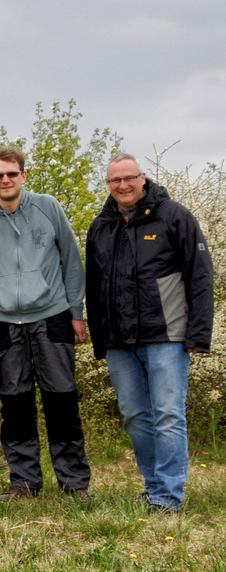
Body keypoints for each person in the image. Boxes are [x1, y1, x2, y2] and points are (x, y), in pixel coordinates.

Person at [85, 153, 214, 513]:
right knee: (136, 417)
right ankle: (154, 486)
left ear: (143, 178)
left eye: (129, 178)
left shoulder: (174, 216)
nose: (123, 186)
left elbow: (200, 277)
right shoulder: (101, 227)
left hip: (167, 337)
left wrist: (198, 335)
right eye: (115, 181)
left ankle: (168, 497)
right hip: (119, 342)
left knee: (168, 414)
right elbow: (93, 287)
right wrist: (100, 339)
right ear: (108, 185)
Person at [0, 146, 92, 501]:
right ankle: (24, 482)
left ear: (23, 176)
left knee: (62, 401)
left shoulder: (48, 207)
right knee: (15, 404)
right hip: (2, 322)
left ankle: (74, 483)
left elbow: (71, 260)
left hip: (52, 316)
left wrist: (76, 313)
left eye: (12, 173)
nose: (6, 180)